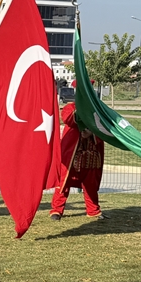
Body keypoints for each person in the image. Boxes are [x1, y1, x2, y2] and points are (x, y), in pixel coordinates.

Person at [50, 81, 105, 220]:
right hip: (72, 155)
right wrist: (81, 117)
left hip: (91, 155)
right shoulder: (71, 107)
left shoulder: (98, 110)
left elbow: (104, 128)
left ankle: (93, 211)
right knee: (64, 182)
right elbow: (67, 118)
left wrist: (91, 133)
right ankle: (56, 210)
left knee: (90, 184)